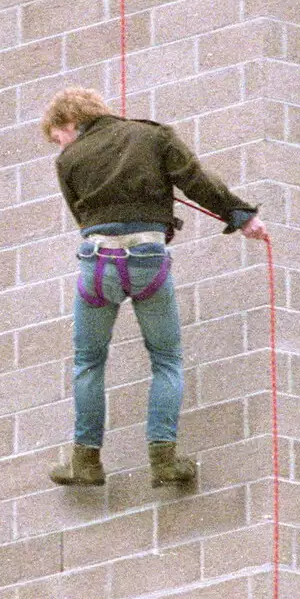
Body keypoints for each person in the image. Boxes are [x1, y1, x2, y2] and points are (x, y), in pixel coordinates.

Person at [41, 87, 266, 489]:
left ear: (70, 123)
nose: (60, 144)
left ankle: (86, 461)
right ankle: (163, 460)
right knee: (166, 361)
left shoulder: (68, 160)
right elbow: (196, 181)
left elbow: (81, 215)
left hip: (98, 262)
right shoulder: (154, 136)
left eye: (58, 136)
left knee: (88, 363)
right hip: (148, 258)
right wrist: (241, 216)